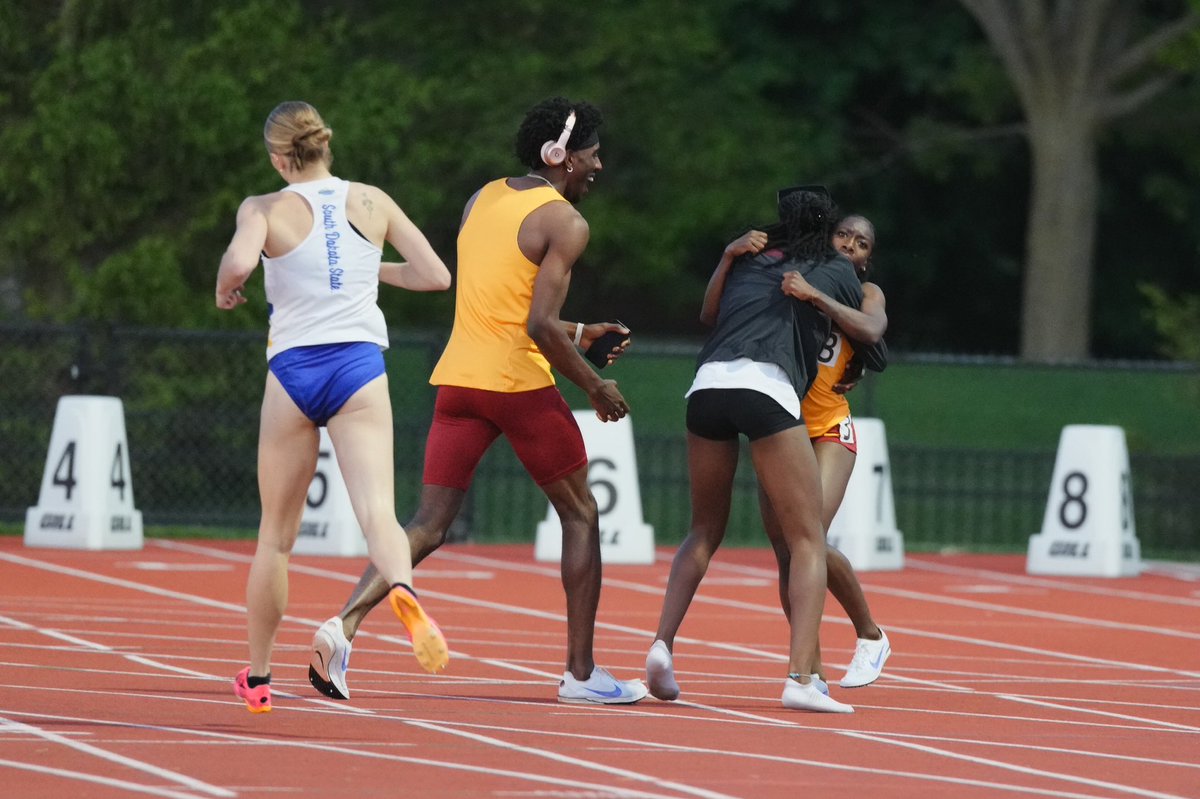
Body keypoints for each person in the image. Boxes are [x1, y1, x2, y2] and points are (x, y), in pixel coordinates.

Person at [306, 96, 646, 705]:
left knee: (428, 524)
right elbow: (537, 326)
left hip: (460, 381)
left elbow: (502, 303)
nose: (599, 166)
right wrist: (595, 385)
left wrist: (580, 333)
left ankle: (343, 627)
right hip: (516, 384)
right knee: (581, 515)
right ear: (561, 155)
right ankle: (581, 673)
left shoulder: (482, 196)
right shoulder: (566, 222)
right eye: (593, 155)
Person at [215, 100, 453, 713]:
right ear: (327, 145)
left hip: (293, 372)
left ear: (277, 156)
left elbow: (240, 261)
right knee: (378, 513)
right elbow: (435, 276)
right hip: (358, 370)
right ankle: (401, 589)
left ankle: (260, 680)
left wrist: (228, 286)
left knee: (276, 538)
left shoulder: (262, 207)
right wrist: (372, 273)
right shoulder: (372, 200)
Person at [642, 188, 868, 713]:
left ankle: (661, 644)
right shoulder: (834, 269)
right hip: (765, 387)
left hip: (706, 385)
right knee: (807, 538)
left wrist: (727, 253)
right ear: (828, 229)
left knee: (703, 530)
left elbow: (708, 313)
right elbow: (870, 337)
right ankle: (801, 679)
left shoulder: (749, 256)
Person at [730, 214, 891, 693]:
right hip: (783, 425)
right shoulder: (796, 277)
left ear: (867, 258)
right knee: (787, 553)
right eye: (844, 235)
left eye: (861, 243)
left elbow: (873, 328)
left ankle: (871, 635)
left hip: (829, 428)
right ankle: (811, 668)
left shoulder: (866, 292)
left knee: (809, 537)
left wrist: (816, 298)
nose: (850, 245)